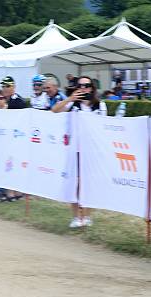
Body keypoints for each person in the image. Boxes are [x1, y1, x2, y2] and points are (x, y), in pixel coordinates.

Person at [52, 76, 107, 229]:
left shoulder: (100, 105)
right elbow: (54, 111)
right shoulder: (72, 105)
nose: (84, 88)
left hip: (92, 150)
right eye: (80, 86)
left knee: (90, 183)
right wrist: (70, 98)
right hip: (75, 150)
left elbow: (103, 127)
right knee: (75, 183)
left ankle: (87, 216)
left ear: (92, 88)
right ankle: (76, 216)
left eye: (87, 85)